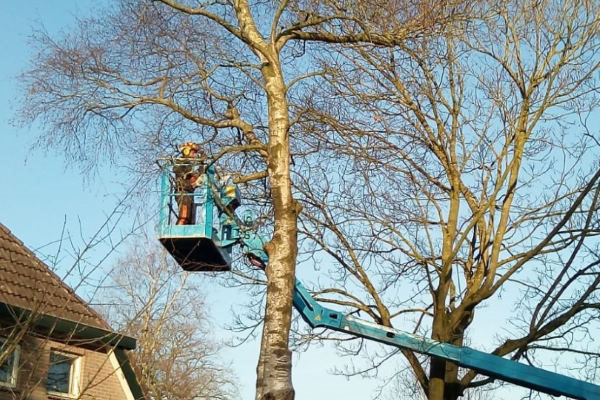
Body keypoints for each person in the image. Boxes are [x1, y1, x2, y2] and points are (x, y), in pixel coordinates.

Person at [173, 142, 203, 225]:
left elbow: (196, 178)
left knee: (190, 221)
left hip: (189, 193)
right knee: (184, 216)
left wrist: (202, 164)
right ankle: (176, 234)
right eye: (193, 153)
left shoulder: (190, 166)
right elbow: (176, 169)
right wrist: (187, 173)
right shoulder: (181, 162)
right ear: (186, 151)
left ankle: (184, 236)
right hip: (183, 192)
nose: (195, 155)